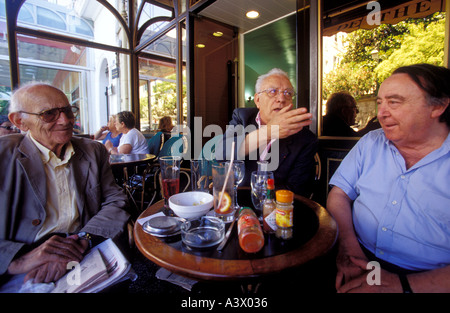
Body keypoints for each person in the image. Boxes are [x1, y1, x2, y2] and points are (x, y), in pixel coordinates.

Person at [327, 63, 450, 293]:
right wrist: (347, 246)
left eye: (394, 102)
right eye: (380, 103)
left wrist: (404, 285)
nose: (381, 114)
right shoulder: (372, 142)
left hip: (427, 279)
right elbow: (339, 193)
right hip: (356, 256)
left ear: (438, 106)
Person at [0, 82, 130, 290]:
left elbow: (116, 200)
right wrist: (18, 261)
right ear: (20, 121)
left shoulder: (92, 151)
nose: (66, 120)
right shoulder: (4, 156)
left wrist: (84, 239)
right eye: (49, 113)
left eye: (68, 111)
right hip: (20, 268)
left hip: (84, 251)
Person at [217, 68, 318, 197]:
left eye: (288, 93)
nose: (281, 98)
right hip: (235, 201)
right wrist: (268, 132)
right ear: (257, 100)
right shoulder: (242, 117)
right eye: (273, 91)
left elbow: (296, 191)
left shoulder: (305, 139)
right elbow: (221, 154)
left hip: (276, 210)